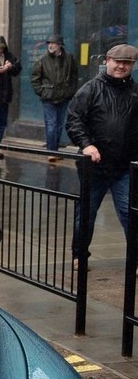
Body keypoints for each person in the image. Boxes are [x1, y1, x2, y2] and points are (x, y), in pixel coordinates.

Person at [65, 43, 138, 271]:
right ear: (108, 60)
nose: (122, 66)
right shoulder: (90, 89)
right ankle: (80, 255)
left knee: (130, 213)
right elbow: (74, 120)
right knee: (86, 213)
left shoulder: (135, 91)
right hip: (94, 167)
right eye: (118, 62)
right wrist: (87, 145)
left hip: (124, 167)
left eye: (127, 63)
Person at [31, 33, 79, 163]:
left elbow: (74, 76)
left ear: (60, 45)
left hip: (63, 97)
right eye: (49, 43)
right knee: (51, 124)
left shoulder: (69, 58)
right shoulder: (42, 60)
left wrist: (70, 91)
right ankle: (51, 151)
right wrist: (42, 92)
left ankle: (55, 150)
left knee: (59, 125)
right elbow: (35, 78)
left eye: (53, 43)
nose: (51, 46)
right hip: (49, 97)